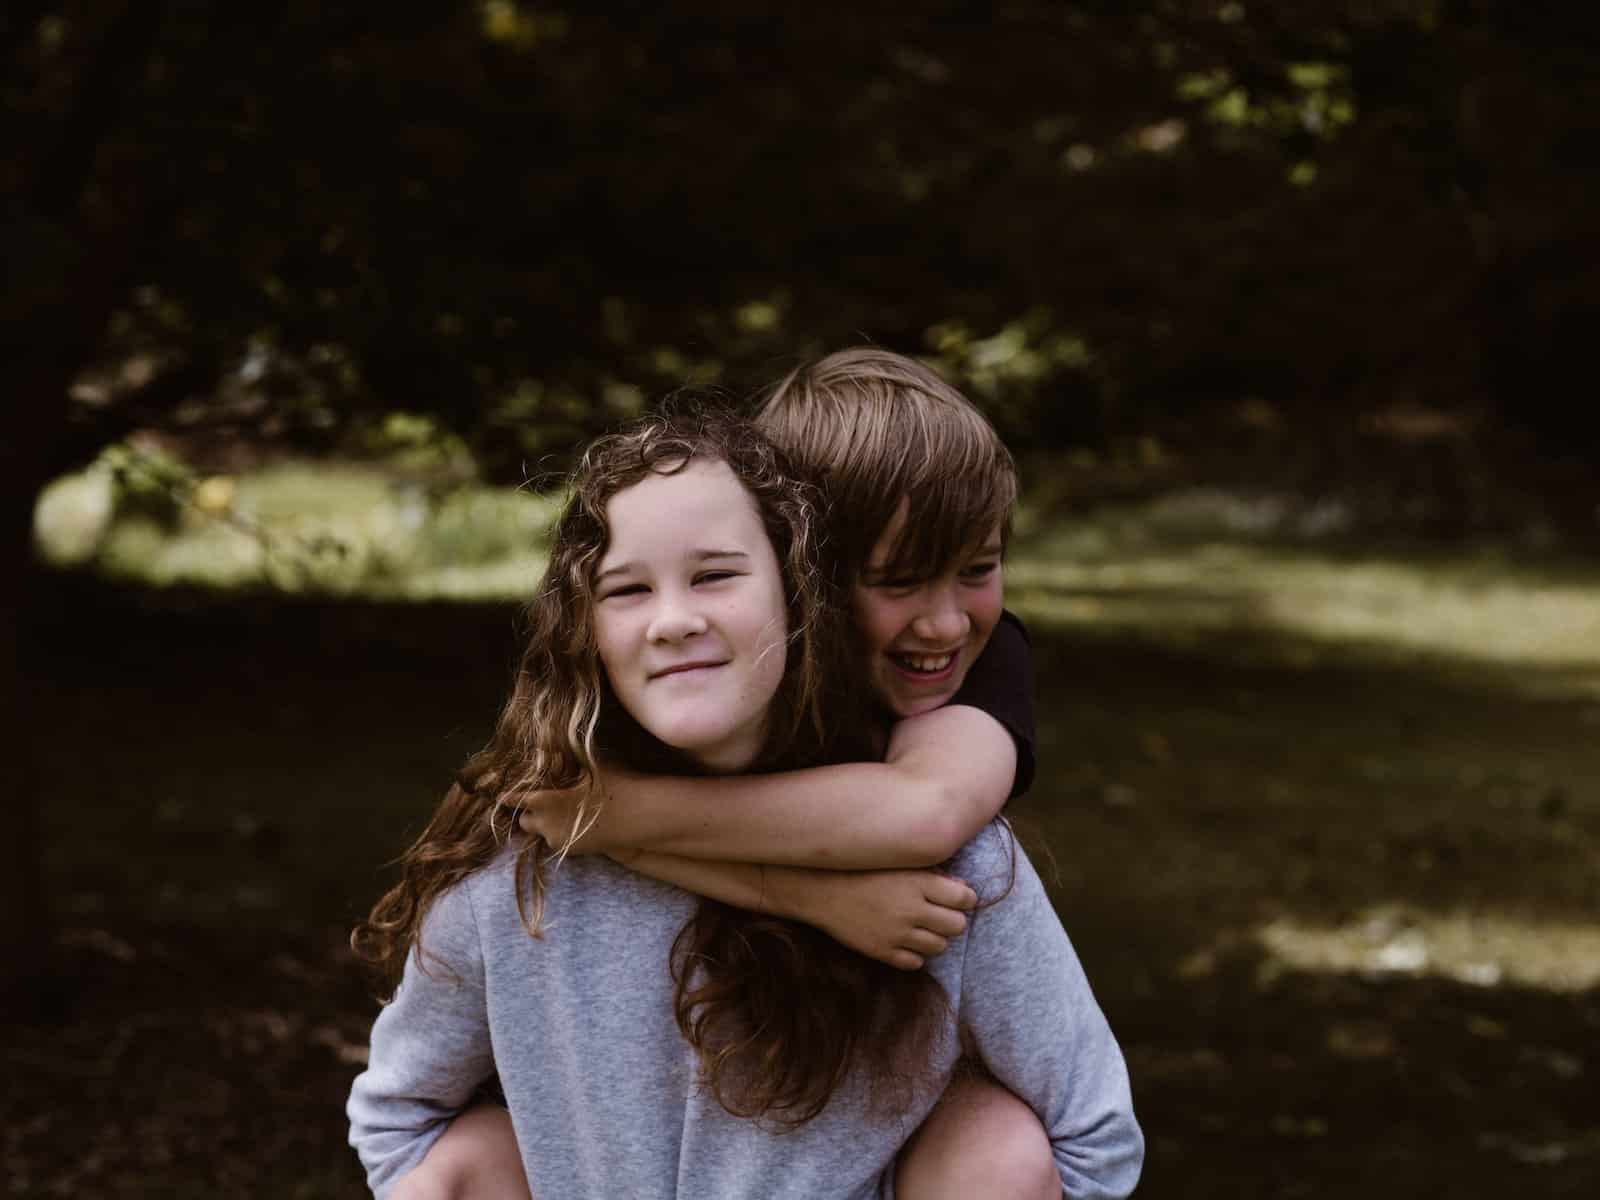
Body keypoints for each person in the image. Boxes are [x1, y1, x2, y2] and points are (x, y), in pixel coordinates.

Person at [347, 410, 1142, 1198]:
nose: (674, 621)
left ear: (801, 593)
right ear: (584, 629)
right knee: (453, 1168)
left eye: (715, 576)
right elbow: (398, 1121)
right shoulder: (518, 873)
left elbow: (1093, 1146)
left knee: (1000, 1148)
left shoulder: (950, 874)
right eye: (627, 589)